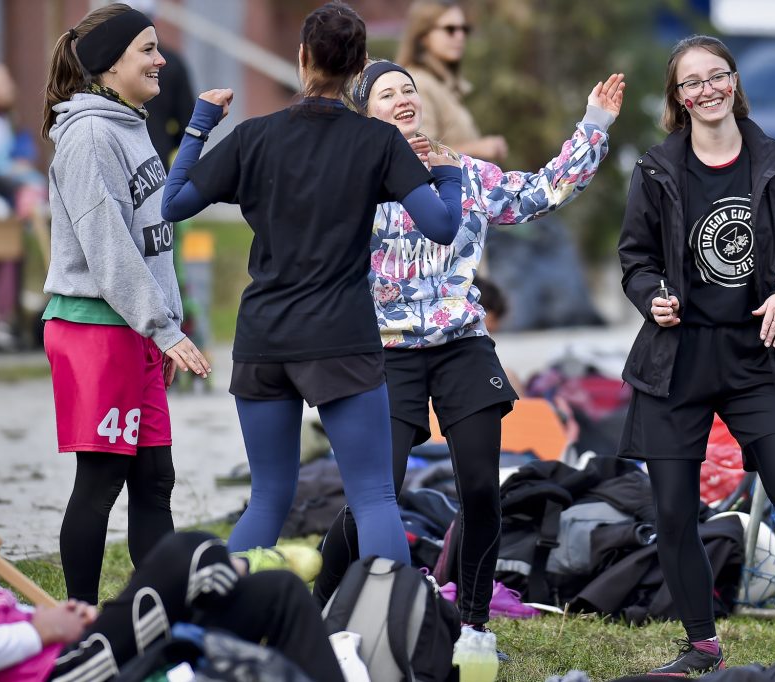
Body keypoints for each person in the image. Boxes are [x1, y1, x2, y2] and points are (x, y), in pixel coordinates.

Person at [312, 58, 623, 632]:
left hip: (462, 345)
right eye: (386, 94)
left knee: (482, 488)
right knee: (376, 494)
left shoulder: (461, 171)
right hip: (388, 352)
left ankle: (474, 624)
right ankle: (318, 607)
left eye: (408, 89)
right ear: (363, 111)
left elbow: (541, 192)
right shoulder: (350, 178)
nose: (403, 98)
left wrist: (594, 125)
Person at [159, 2, 463, 562]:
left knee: (267, 499)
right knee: (373, 498)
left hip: (264, 339)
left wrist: (200, 124)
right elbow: (443, 226)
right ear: (359, 68)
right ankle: (386, 635)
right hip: (340, 339)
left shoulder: (254, 137)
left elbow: (173, 204)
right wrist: (444, 172)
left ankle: (225, 618)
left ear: (302, 59)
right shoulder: (379, 142)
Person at [616, 35, 775, 679]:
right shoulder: (657, 168)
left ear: (734, 82)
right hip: (677, 360)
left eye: (717, 76)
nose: (707, 90)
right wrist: (650, 297)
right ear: (677, 99)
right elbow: (635, 262)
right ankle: (702, 647)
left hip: (757, 356)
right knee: (675, 509)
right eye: (692, 83)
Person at [40, 3, 211, 607]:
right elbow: (108, 249)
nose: (161, 59)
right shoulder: (88, 135)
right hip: (95, 325)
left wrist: (161, 324)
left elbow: (152, 241)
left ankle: (163, 618)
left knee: (155, 477)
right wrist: (162, 329)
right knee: (101, 480)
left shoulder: (129, 125)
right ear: (110, 65)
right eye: (147, 49)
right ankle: (81, 625)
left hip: (132, 326)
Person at [0, 531, 344, 681]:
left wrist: (45, 616)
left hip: (67, 649)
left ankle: (231, 571)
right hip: (57, 673)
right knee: (185, 553)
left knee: (278, 591)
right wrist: (37, 630)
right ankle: (237, 565)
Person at [0, 62, 46, 350]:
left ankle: (5, 317)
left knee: (12, 255)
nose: (4, 87)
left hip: (10, 207)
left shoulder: (11, 122)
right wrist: (15, 180)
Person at [396, 0, 507, 162]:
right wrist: (479, 148)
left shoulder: (441, 83)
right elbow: (420, 152)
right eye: (450, 29)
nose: (460, 36)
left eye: (464, 29)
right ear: (423, 36)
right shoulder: (416, 83)